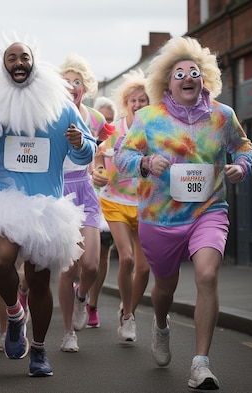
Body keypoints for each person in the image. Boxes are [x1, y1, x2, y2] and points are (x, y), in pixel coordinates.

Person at [115, 36, 252, 390]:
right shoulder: (148, 119)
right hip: (160, 218)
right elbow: (122, 159)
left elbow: (245, 148)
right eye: (180, 74)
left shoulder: (223, 116)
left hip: (208, 210)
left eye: (194, 72)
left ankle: (200, 363)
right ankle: (160, 325)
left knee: (207, 275)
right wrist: (146, 161)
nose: (188, 77)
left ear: (204, 77)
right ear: (167, 83)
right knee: (164, 286)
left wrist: (241, 165)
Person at [0, 40, 95, 377]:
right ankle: (16, 315)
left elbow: (86, 152)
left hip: (46, 207)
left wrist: (79, 143)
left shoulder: (60, 106)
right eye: (11, 58)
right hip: (3, 201)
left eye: (24, 57)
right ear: (3, 66)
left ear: (34, 63)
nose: (18, 63)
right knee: (0, 261)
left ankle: (39, 350)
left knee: (38, 281)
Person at [57, 53, 113, 352]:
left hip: (86, 190)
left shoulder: (95, 118)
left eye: (77, 82)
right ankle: (68, 333)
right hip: (60, 192)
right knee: (68, 268)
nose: (72, 86)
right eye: (66, 82)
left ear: (84, 87)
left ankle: (83, 298)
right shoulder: (50, 114)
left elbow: (104, 147)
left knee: (90, 265)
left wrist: (100, 169)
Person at [92, 68, 150, 343]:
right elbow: (98, 156)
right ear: (125, 103)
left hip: (146, 205)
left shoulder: (155, 130)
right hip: (114, 201)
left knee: (145, 269)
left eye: (143, 100)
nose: (138, 105)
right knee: (125, 258)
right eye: (133, 101)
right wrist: (99, 170)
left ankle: (128, 311)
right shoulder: (115, 132)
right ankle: (128, 318)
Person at [86, 96, 118, 328]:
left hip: (108, 204)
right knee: (82, 259)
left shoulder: (118, 142)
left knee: (103, 256)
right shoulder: (84, 138)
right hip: (83, 201)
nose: (106, 124)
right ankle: (81, 290)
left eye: (110, 120)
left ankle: (92, 304)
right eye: (103, 119)